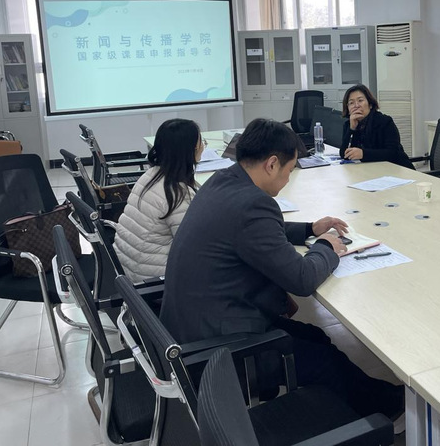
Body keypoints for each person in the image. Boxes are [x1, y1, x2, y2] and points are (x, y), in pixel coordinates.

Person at [160, 118, 405, 420]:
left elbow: (250, 231)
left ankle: (356, 403)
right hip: (217, 352)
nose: (289, 179)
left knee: (314, 336)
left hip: (193, 329)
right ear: (272, 164)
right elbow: (301, 279)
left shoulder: (224, 181)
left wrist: (310, 229)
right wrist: (326, 246)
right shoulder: (253, 205)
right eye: (289, 170)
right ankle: (386, 412)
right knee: (323, 360)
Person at [113, 118, 203, 282]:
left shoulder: (150, 175)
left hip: (125, 266)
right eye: (201, 143)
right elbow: (192, 248)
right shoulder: (177, 194)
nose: (203, 147)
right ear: (191, 150)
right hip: (152, 279)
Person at [339, 84, 415, 169]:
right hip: (372, 169)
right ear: (348, 108)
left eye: (360, 100)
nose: (356, 105)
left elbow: (393, 153)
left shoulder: (384, 121)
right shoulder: (348, 124)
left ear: (370, 104)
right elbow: (344, 154)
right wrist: (352, 129)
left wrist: (363, 154)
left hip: (397, 169)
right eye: (351, 103)